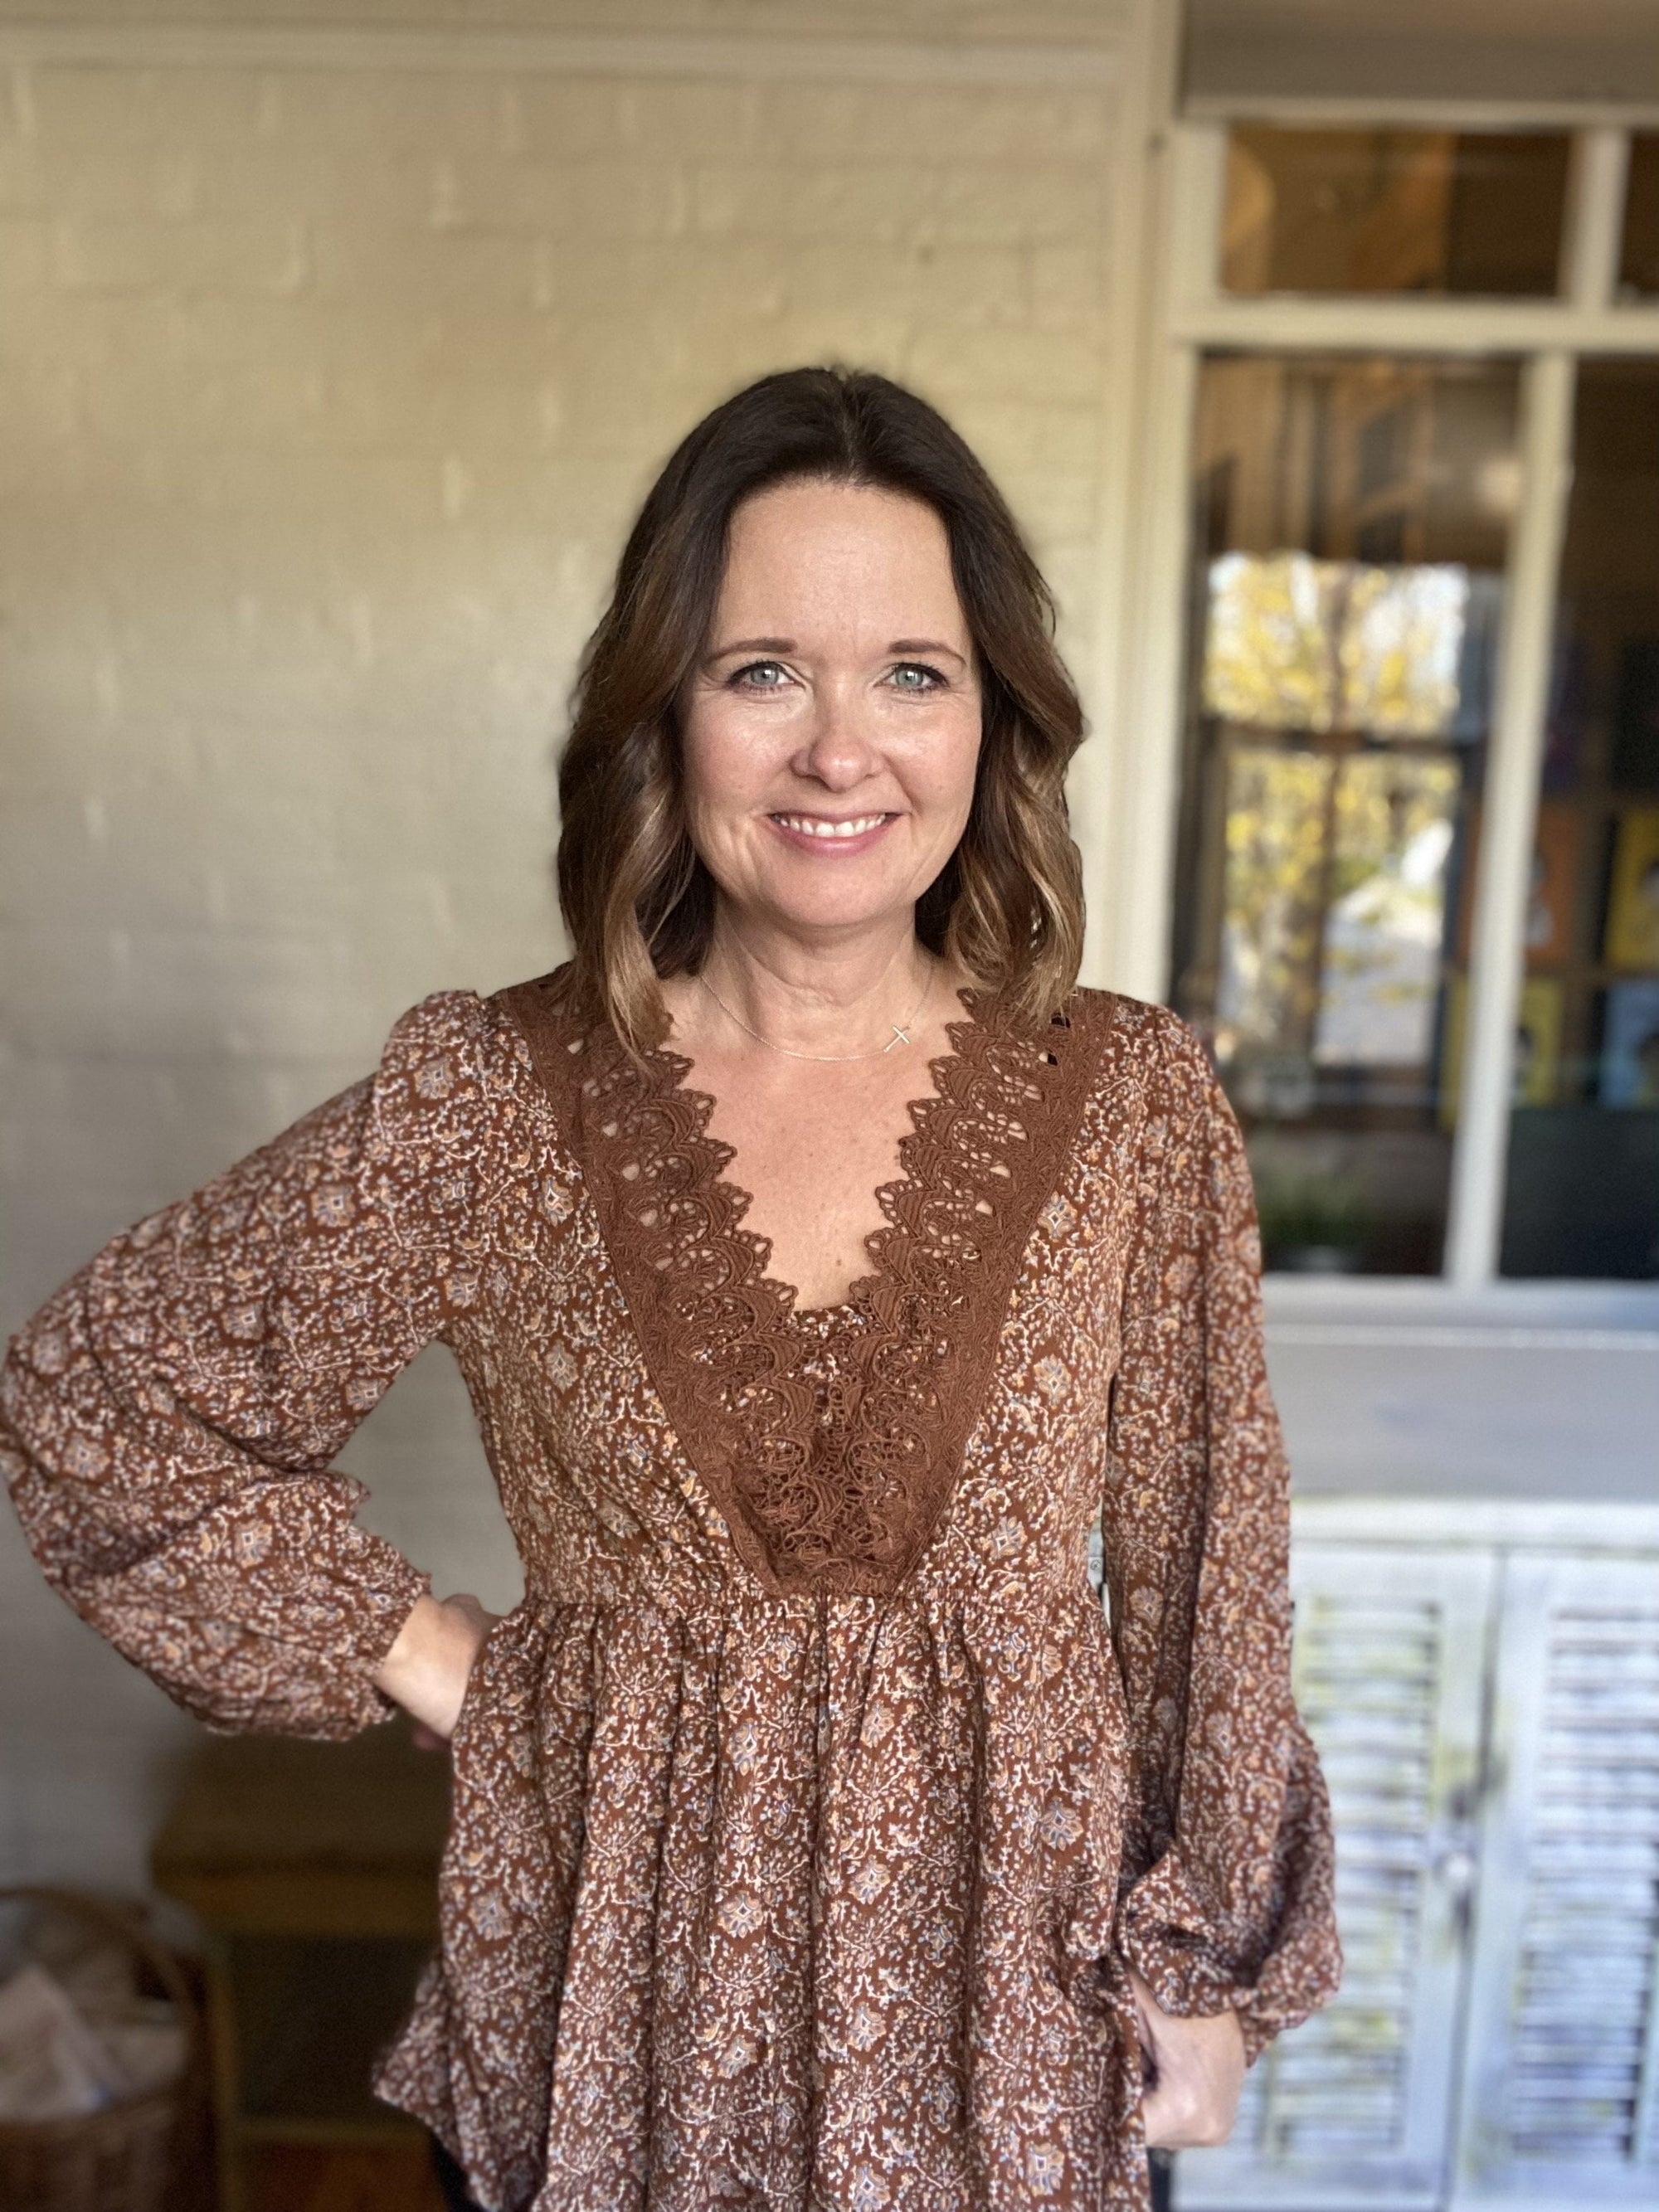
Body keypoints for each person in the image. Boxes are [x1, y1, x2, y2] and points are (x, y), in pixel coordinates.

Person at [1, 367, 1340, 2212]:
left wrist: (1206, 1968)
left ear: (992, 719)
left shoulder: (1128, 1103)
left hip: (1010, 2029)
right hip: (604, 2018)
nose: (839, 748)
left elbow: (1208, 1552)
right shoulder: (490, 1098)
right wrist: (427, 1648)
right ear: (665, 713)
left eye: (913, 673)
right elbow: (95, 1395)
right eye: (763, 668)